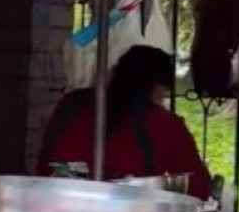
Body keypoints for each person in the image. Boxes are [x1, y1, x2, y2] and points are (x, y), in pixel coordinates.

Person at [36, 44, 212, 199]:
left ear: (114, 72)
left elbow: (44, 164)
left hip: (57, 206)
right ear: (157, 87)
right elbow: (200, 187)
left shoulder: (71, 105)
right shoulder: (164, 124)